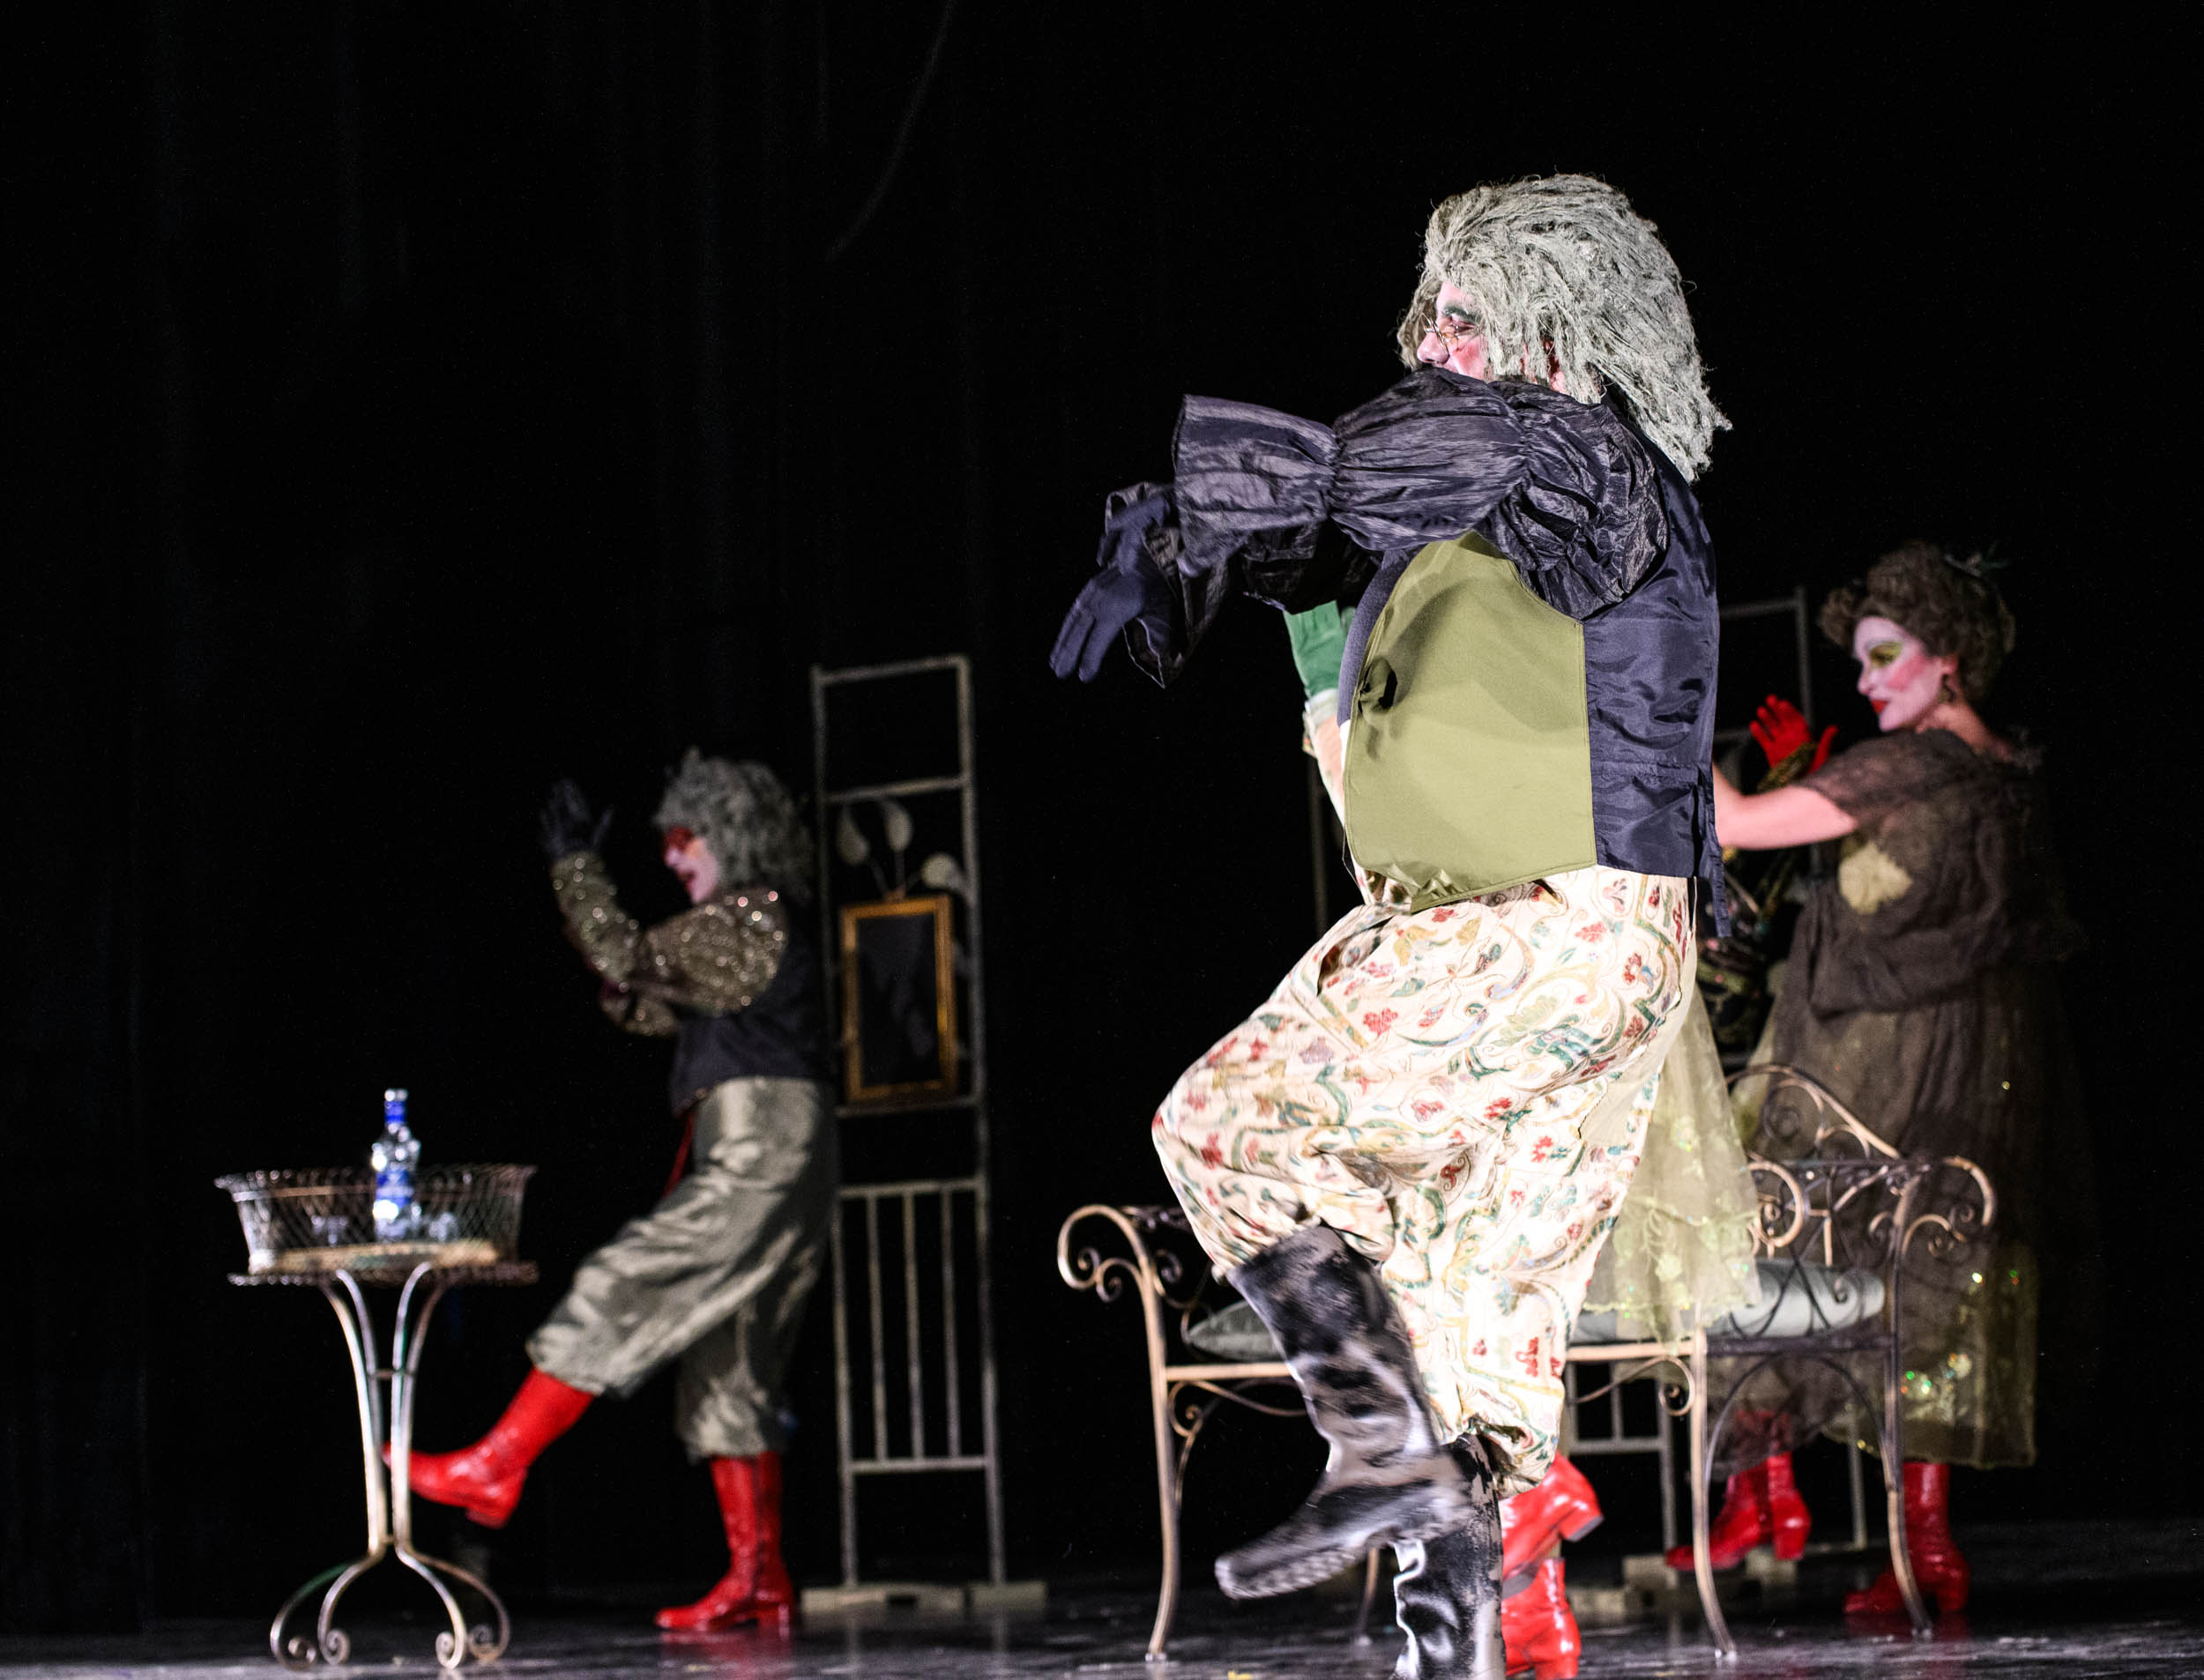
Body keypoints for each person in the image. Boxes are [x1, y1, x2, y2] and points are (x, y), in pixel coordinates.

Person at [1053, 175, 1729, 1679]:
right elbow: (1324, 532)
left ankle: (1372, 1443)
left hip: (1540, 931)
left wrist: (1210, 499)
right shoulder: (1481, 506)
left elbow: (1395, 462)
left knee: (1228, 1124)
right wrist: (1180, 547)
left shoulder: (1587, 458)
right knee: (1465, 1330)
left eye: (1466, 316)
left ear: (1558, 328)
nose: (1431, 341)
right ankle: (1450, 1612)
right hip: (1554, 952)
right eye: (1426, 314)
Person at [1698, 545, 2088, 1615]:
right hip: (1978, 1074)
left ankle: (1772, 1493)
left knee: (1761, 1230)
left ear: (1947, 657)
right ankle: (1919, 1547)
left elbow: (1734, 825)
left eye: (1883, 656)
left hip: (1877, 1069)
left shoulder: (1909, 768)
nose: (1864, 681)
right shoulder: (2008, 774)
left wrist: (1662, 713)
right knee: (1935, 1289)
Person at [401, 751, 836, 1633]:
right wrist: (614, 960)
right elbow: (641, 996)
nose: (673, 856)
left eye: (686, 838)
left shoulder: (748, 916)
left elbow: (629, 954)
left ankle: (496, 1465)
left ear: (734, 836)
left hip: (765, 1145)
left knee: (624, 1279)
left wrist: (575, 867)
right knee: (730, 1357)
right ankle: (759, 1577)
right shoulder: (743, 936)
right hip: (771, 1143)